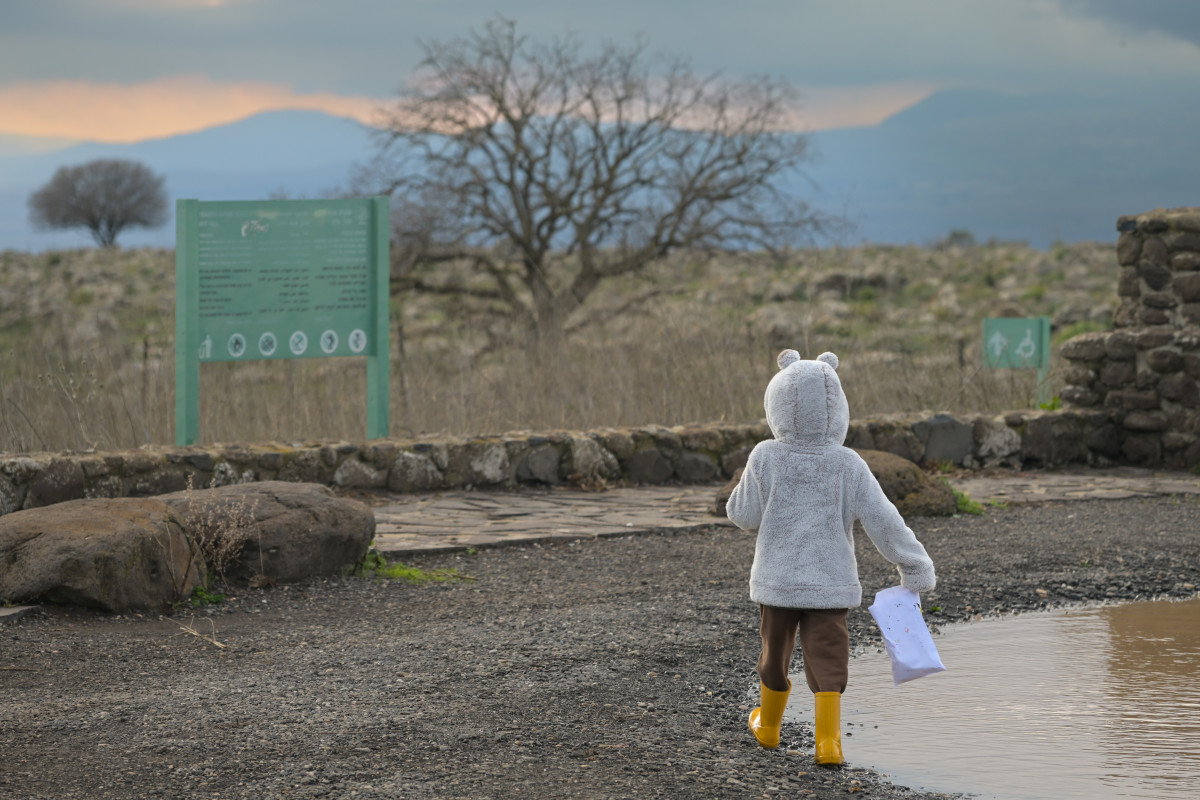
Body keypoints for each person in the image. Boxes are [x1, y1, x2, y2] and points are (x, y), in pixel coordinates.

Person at [725, 350, 936, 765]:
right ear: (837, 406)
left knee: (774, 654)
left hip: (778, 581)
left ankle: (768, 728)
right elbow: (884, 520)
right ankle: (828, 744)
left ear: (778, 402)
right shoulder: (848, 464)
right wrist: (914, 565)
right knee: (829, 658)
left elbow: (742, 515)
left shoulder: (765, 456)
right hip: (830, 583)